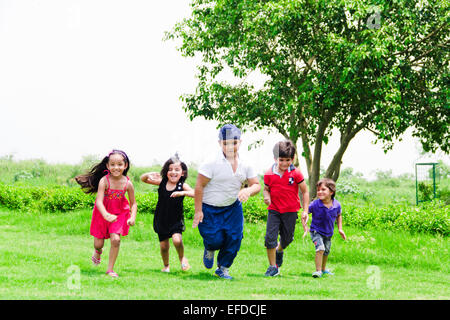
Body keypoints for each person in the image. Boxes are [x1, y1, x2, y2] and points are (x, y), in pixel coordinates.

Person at [193, 124, 261, 279]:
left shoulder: (246, 164)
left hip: (233, 208)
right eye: (226, 143)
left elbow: (256, 185)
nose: (230, 147)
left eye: (234, 143)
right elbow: (199, 186)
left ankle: (223, 268)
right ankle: (209, 248)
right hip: (210, 208)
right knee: (215, 240)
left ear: (240, 142)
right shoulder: (210, 162)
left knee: (235, 237)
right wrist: (198, 211)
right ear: (220, 143)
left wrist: (247, 190)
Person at [75, 149, 137, 278]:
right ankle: (98, 251)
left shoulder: (128, 184)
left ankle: (110, 269)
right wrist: (105, 215)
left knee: (116, 239)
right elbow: (98, 201)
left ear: (125, 166)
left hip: (119, 214)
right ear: (108, 166)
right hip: (102, 214)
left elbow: (133, 203)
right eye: (112, 164)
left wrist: (132, 216)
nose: (116, 167)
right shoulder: (104, 180)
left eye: (120, 164)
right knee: (98, 244)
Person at [263, 140, 310, 276]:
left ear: (293, 158)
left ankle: (280, 249)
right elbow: (266, 189)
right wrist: (267, 196)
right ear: (275, 159)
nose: (284, 163)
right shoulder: (269, 173)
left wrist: (305, 211)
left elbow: (305, 191)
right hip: (274, 210)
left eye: (287, 160)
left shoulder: (296, 173)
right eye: (281, 160)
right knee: (269, 238)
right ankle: (273, 267)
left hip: (290, 211)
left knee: (288, 238)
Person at [140, 156, 194, 272]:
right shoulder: (162, 182)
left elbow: (196, 193)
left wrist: (183, 193)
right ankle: (166, 266)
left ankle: (182, 258)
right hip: (161, 219)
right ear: (166, 171)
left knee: (177, 240)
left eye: (177, 170)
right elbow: (143, 179)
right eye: (170, 169)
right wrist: (150, 173)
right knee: (164, 246)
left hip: (175, 220)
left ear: (183, 173)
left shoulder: (182, 185)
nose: (173, 172)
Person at [305, 178, 346, 278]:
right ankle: (318, 271)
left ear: (331, 192)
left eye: (323, 189)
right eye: (318, 190)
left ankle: (323, 270)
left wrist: (340, 229)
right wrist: (305, 221)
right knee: (320, 248)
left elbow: (339, 215)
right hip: (316, 231)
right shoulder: (315, 204)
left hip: (328, 233)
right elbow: (306, 212)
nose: (320, 192)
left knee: (326, 251)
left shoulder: (337, 205)